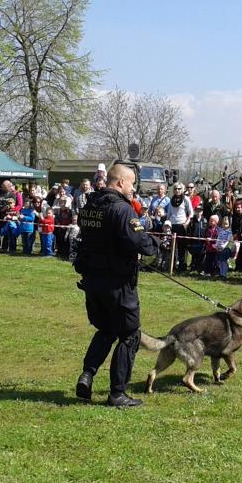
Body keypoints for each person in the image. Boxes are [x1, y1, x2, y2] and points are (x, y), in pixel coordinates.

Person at [74, 162, 158, 408]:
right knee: (130, 335)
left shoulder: (90, 205)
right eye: (131, 183)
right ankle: (117, 393)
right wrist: (154, 246)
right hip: (117, 283)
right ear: (121, 182)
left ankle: (87, 375)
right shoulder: (122, 209)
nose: (133, 189)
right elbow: (140, 241)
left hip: (92, 280)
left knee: (107, 330)